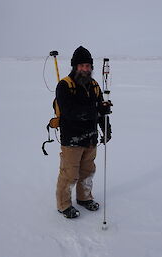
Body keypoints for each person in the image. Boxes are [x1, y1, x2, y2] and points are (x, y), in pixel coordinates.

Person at [56, 46, 112, 218]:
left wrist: (106, 128)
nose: (85, 69)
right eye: (81, 66)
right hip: (72, 138)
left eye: (88, 66)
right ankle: (64, 205)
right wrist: (95, 110)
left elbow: (101, 110)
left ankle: (84, 198)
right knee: (70, 174)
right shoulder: (65, 85)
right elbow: (69, 112)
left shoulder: (94, 85)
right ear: (75, 66)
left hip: (90, 138)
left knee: (88, 172)